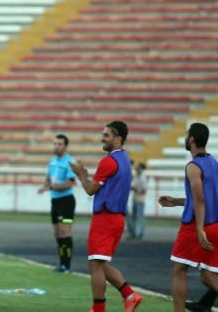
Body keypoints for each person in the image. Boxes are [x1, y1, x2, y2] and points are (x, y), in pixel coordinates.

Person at [70, 121, 142, 312]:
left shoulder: (108, 161)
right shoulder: (125, 160)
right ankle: (129, 295)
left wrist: (81, 175)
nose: (102, 138)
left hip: (105, 217)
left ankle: (99, 309)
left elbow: (91, 190)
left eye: (106, 135)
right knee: (98, 263)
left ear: (118, 138)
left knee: (95, 265)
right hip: (117, 218)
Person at [159, 123, 218, 312]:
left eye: (187, 135)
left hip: (196, 225)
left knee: (179, 270)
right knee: (208, 276)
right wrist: (176, 201)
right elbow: (204, 197)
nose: (185, 138)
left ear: (192, 139)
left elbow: (200, 198)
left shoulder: (193, 166)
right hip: (215, 224)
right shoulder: (213, 162)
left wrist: (199, 228)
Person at [38, 134, 76, 272]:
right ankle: (61, 262)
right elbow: (48, 178)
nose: (56, 146)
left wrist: (52, 187)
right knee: (57, 233)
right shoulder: (53, 161)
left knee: (65, 232)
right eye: (55, 143)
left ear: (65, 146)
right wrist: (45, 186)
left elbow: (71, 182)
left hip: (66, 201)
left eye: (59, 144)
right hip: (55, 201)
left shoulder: (70, 162)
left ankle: (66, 264)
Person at [127, 162, 148, 240]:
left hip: (140, 199)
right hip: (135, 199)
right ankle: (134, 233)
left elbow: (144, 190)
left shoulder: (143, 176)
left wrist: (135, 189)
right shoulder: (136, 175)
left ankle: (140, 233)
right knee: (134, 216)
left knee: (140, 216)